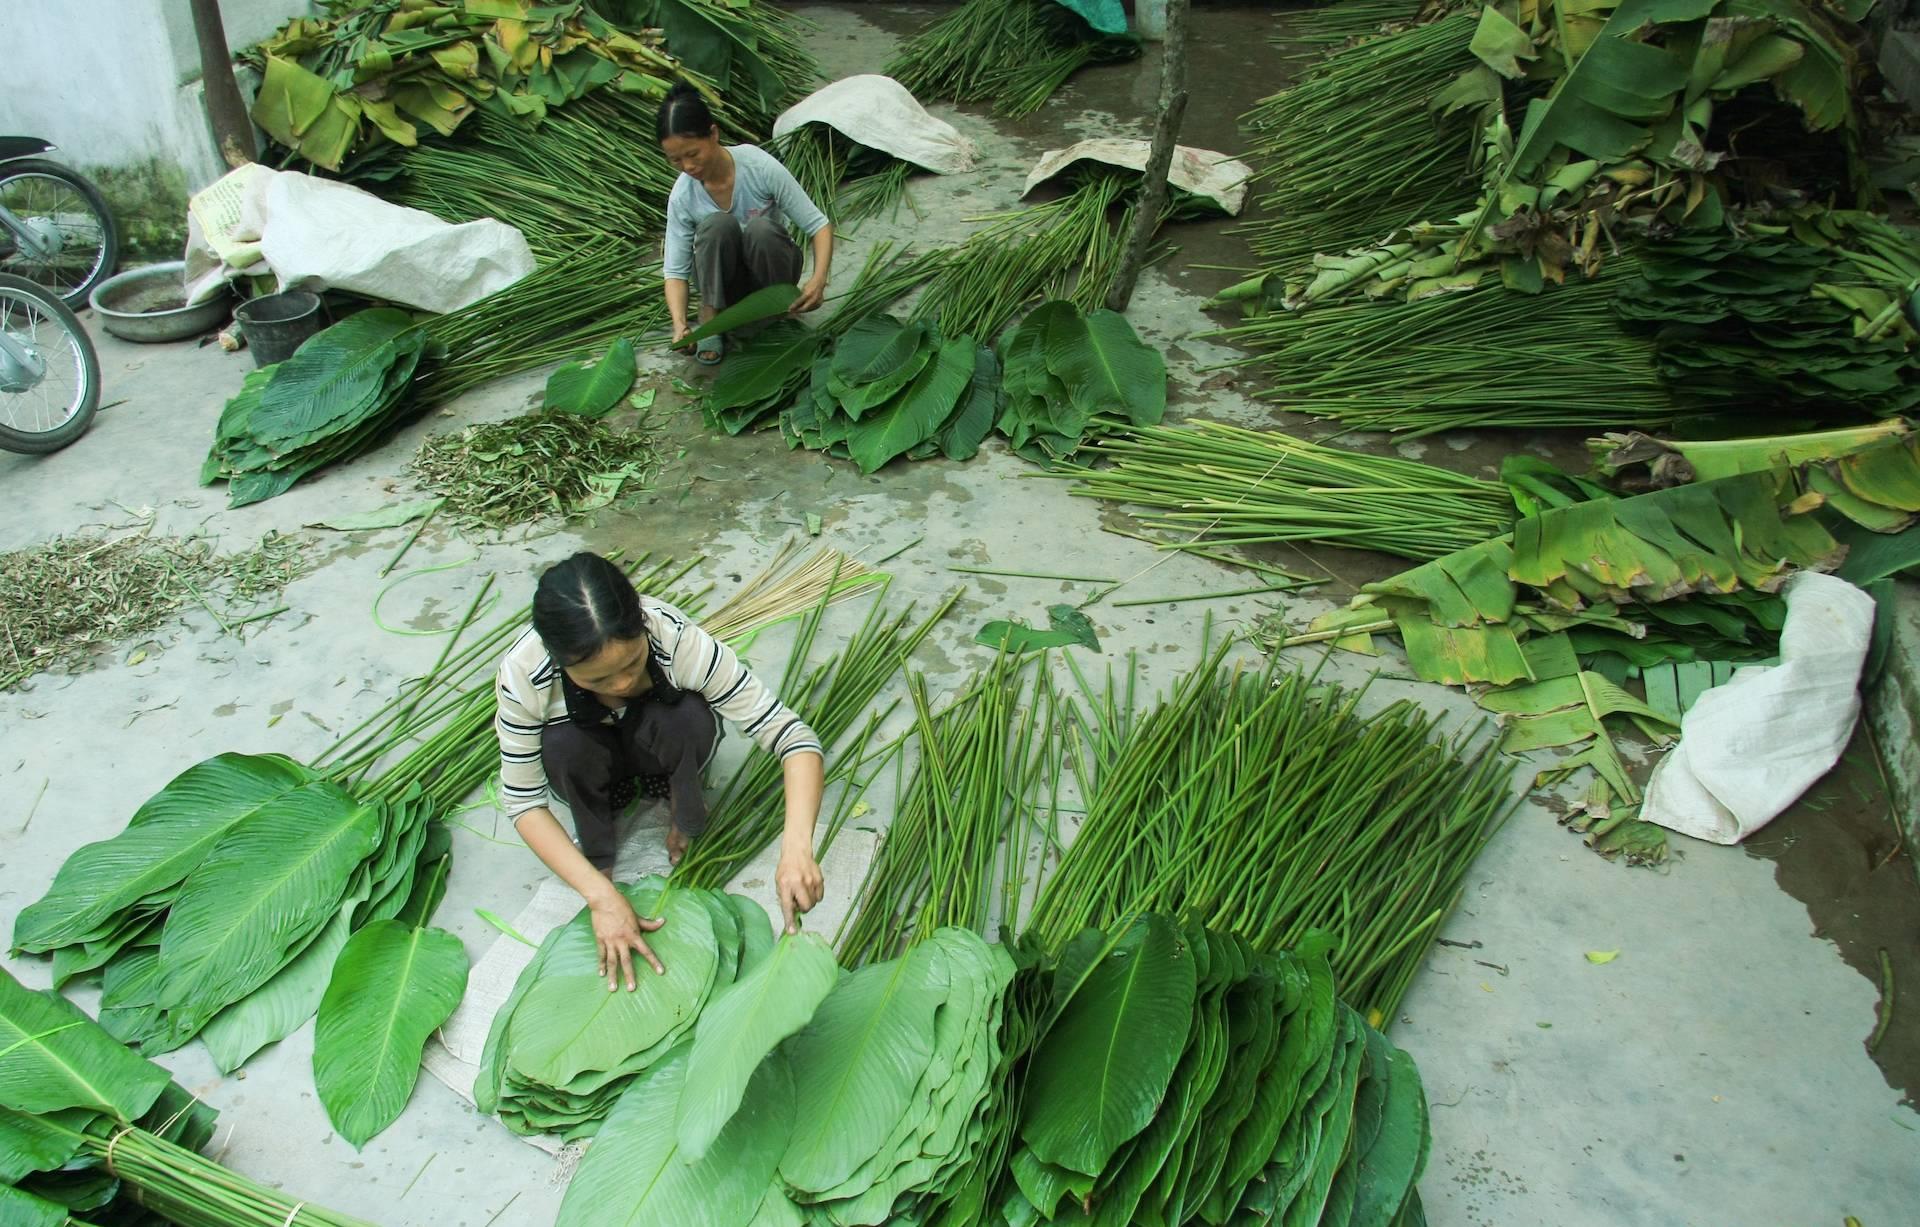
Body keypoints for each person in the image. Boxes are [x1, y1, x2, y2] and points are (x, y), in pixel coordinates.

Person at [494, 552, 827, 991]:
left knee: (687, 718)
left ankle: (677, 803)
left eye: (631, 664)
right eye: (596, 679)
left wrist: (797, 848)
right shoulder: (525, 674)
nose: (620, 685)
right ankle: (600, 839)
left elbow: (794, 738)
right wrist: (599, 895)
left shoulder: (675, 638)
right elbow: (523, 801)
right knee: (563, 745)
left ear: (641, 628)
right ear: (560, 660)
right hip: (589, 753)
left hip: (656, 742)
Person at [657, 81, 833, 366]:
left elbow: (818, 225)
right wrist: (679, 324)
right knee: (716, 226)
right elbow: (675, 271)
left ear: (713, 134)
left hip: (771, 274)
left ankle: (776, 312)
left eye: (693, 154)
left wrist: (818, 279)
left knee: (761, 229)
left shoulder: (757, 166)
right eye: (675, 160)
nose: (688, 166)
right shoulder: (683, 194)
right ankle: (712, 316)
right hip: (724, 285)